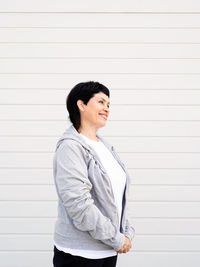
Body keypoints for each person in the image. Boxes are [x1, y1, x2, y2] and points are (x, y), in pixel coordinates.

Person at [53, 81, 135, 267]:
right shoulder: (70, 147)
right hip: (80, 254)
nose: (106, 108)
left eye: (108, 104)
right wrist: (116, 238)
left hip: (108, 250)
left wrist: (126, 232)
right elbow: (78, 204)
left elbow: (117, 197)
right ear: (81, 104)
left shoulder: (104, 147)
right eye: (100, 102)